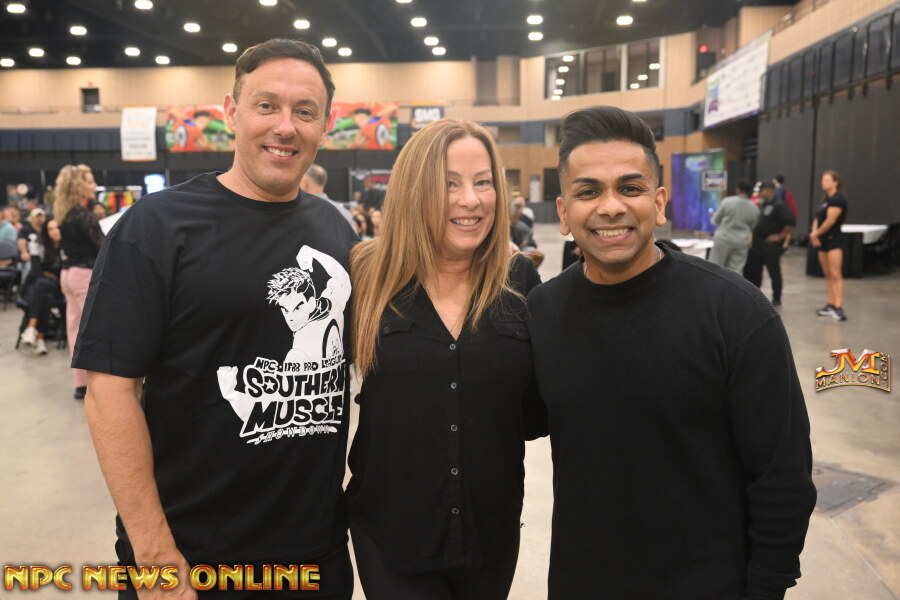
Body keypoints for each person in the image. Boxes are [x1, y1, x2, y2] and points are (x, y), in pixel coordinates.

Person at [73, 39, 357, 599]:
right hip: (192, 560)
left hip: (315, 556)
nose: (285, 127)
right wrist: (154, 553)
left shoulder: (334, 231)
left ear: (327, 125)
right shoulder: (157, 227)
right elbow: (109, 393)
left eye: (305, 112)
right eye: (266, 105)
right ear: (231, 111)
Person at [526, 105, 815, 600]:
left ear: (659, 202)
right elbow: (511, 419)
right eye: (588, 191)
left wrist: (767, 585)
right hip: (581, 582)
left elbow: (781, 476)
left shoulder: (735, 312)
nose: (610, 207)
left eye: (630, 188)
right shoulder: (542, 311)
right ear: (564, 213)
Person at [345, 119, 545, 600]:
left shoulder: (519, 280)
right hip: (392, 538)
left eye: (483, 182)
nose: (470, 200)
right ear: (414, 191)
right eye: (449, 184)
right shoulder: (366, 275)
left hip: (490, 534)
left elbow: (536, 410)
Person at [55, 163, 102, 400]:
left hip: (68, 275)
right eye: (90, 181)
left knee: (74, 329)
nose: (94, 185)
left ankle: (81, 383)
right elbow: (102, 245)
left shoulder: (64, 214)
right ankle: (97, 383)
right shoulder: (84, 216)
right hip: (84, 274)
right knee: (94, 329)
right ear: (79, 186)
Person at [743, 181, 795, 307]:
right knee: (753, 271)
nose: (760, 194)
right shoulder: (763, 205)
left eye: (762, 191)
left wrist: (780, 236)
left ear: (770, 191)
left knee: (774, 272)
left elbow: (790, 222)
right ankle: (754, 296)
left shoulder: (780, 205)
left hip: (770, 246)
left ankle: (777, 298)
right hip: (757, 245)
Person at [19, 219, 64, 356]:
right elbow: (36, 272)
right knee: (46, 296)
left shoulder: (67, 247)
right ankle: (40, 340)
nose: (55, 231)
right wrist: (52, 275)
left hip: (59, 288)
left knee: (42, 284)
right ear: (46, 232)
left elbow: (62, 274)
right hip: (38, 288)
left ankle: (31, 327)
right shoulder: (40, 246)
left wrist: (50, 275)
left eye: (57, 227)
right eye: (51, 229)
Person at [810, 170, 848, 321]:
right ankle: (831, 303)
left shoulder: (838, 200)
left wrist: (816, 234)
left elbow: (830, 221)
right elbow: (817, 218)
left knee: (835, 273)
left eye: (826, 180)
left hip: (834, 241)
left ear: (835, 182)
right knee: (827, 273)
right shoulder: (825, 200)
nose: (823, 183)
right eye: (823, 180)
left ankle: (839, 306)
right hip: (822, 242)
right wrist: (814, 233)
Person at [708, 179, 759, 273]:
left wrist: (713, 216)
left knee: (715, 268)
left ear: (738, 189)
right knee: (736, 270)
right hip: (741, 241)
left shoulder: (727, 201)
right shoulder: (754, 207)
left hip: (723, 239)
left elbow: (716, 220)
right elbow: (753, 226)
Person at [509, 196, 545, 267]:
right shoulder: (510, 224)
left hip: (523, 246)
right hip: (518, 248)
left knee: (539, 256)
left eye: (522, 206)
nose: (521, 210)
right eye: (519, 207)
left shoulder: (523, 219)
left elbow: (529, 230)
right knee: (538, 256)